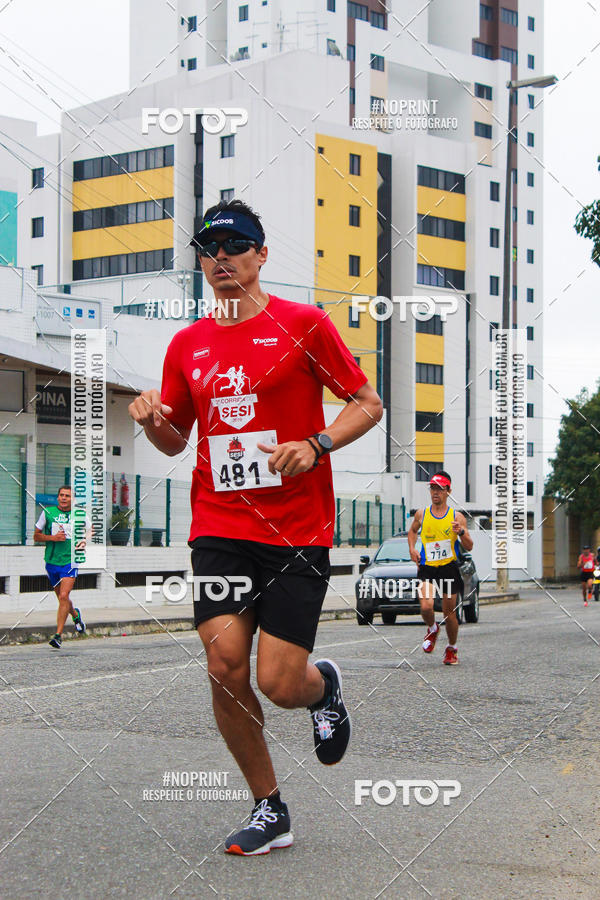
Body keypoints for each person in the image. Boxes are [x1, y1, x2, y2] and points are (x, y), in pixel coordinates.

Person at [128, 199, 383, 855]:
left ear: (261, 255)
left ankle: (320, 688)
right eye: (210, 249)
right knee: (223, 664)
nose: (221, 259)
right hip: (219, 524)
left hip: (298, 527)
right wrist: (151, 418)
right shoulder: (188, 343)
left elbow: (367, 403)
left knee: (277, 681)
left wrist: (318, 444)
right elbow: (173, 439)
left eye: (235, 246)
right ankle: (269, 807)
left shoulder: (303, 325)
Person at [407, 471, 473, 666]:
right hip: (427, 566)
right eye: (433, 488)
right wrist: (412, 548)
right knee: (426, 606)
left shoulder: (457, 517)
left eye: (440, 489)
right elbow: (412, 531)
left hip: (448, 567)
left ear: (448, 492)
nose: (435, 492)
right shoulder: (422, 513)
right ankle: (433, 628)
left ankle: (451, 648)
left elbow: (469, 545)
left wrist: (461, 532)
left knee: (449, 612)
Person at [33, 485, 86, 649]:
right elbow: (36, 536)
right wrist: (53, 538)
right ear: (57, 497)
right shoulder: (48, 513)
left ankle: (58, 635)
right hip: (52, 561)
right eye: (62, 495)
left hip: (70, 560)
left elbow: (92, 530)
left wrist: (84, 540)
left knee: (64, 595)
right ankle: (76, 616)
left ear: (73, 499)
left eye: (67, 496)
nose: (64, 498)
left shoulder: (79, 514)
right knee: (62, 598)